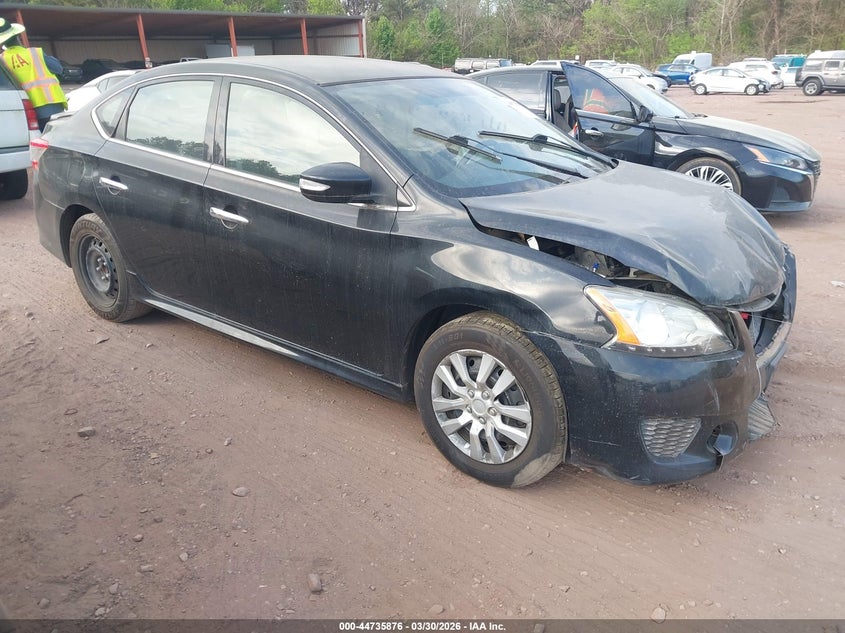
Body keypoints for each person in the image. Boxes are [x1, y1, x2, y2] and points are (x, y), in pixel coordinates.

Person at [0, 18, 67, 131]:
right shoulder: (35, 53)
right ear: (17, 36)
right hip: (51, 106)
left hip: (23, 111)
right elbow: (59, 68)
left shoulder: (2, 61)